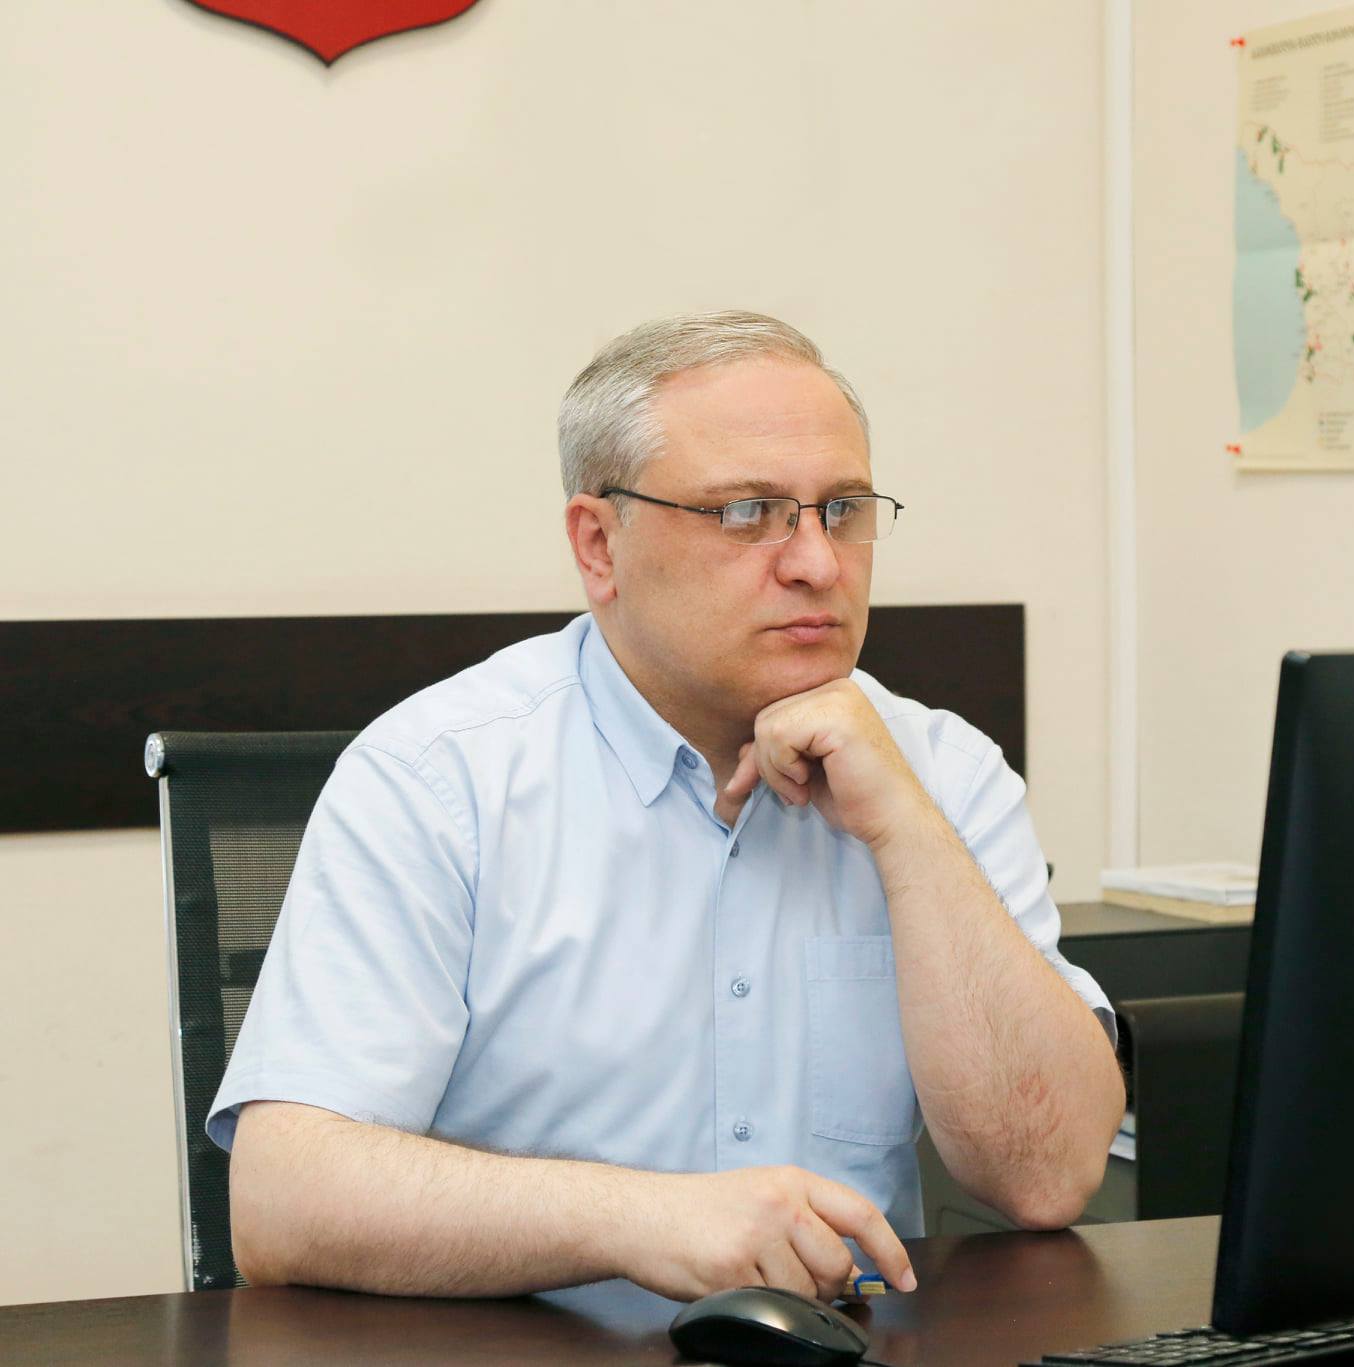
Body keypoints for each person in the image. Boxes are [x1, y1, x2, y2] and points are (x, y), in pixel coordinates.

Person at [212, 311, 1124, 1305]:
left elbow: (1047, 1176)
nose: (817, 563)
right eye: (747, 512)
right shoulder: (441, 778)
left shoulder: (942, 773)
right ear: (598, 543)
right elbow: (282, 1200)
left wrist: (906, 831)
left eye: (842, 509)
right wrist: (637, 1216)